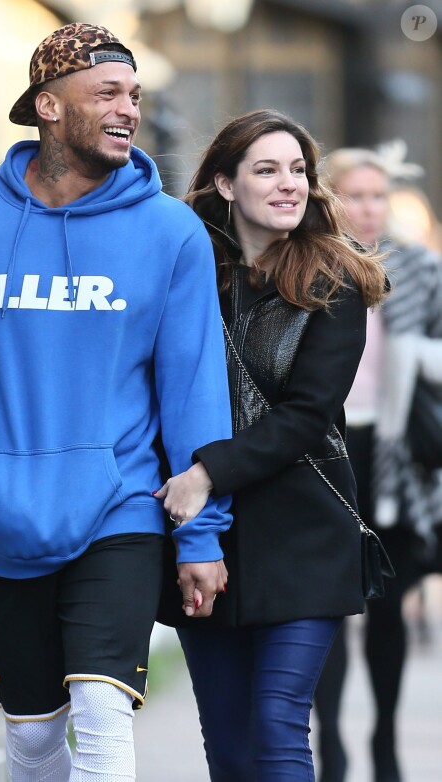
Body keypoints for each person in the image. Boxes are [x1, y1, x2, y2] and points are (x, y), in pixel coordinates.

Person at [0, 22, 233, 782]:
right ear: (47, 105)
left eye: (135, 95)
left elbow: (192, 390)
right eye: (106, 92)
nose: (128, 109)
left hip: (122, 508)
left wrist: (201, 534)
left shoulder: (170, 232)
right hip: (6, 512)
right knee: (34, 740)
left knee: (103, 716)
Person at [154, 109, 387, 782]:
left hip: (304, 535)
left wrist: (207, 473)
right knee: (229, 749)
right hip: (206, 544)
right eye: (266, 170)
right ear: (225, 184)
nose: (290, 185)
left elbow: (307, 416)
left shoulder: (334, 282)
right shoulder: (187, 275)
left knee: (279, 730)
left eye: (299, 171)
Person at [313, 147, 442, 782]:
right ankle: (329, 747)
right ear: (330, 197)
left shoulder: (418, 267)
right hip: (325, 449)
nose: (366, 208)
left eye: (377, 196)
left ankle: (387, 744)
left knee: (390, 607)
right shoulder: (306, 263)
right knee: (325, 606)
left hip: (393, 458)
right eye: (353, 195)